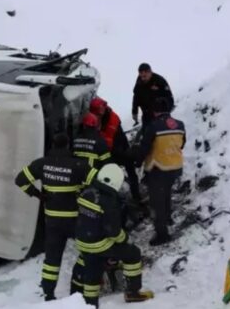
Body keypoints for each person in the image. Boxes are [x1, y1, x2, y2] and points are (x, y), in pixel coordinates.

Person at [15, 133, 94, 301]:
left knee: (51, 260)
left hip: (52, 221)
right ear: (67, 146)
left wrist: (38, 195)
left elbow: (20, 180)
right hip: (75, 220)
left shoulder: (42, 164)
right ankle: (78, 287)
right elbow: (99, 183)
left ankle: (48, 294)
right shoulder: (78, 165)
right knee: (88, 251)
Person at [75, 164, 155, 307]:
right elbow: (113, 232)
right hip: (100, 244)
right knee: (133, 253)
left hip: (83, 241)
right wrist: (125, 239)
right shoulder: (110, 202)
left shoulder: (88, 192)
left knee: (92, 274)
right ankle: (133, 293)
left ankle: (89, 304)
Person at [135, 97, 186, 246]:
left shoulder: (153, 126)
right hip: (175, 167)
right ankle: (168, 217)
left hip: (158, 168)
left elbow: (145, 148)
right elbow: (182, 144)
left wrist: (137, 161)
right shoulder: (180, 124)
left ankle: (162, 234)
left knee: (157, 201)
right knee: (166, 192)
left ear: (155, 111)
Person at [89, 97, 141, 203]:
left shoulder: (112, 120)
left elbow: (107, 142)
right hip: (109, 147)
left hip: (118, 147)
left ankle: (135, 197)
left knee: (128, 168)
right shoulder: (96, 114)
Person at [132, 63, 174, 127]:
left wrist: (166, 111)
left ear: (150, 72)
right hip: (147, 114)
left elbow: (169, 97)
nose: (143, 78)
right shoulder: (139, 84)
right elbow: (136, 98)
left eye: (145, 75)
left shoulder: (159, 80)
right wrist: (134, 112)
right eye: (141, 76)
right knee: (147, 133)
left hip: (162, 113)